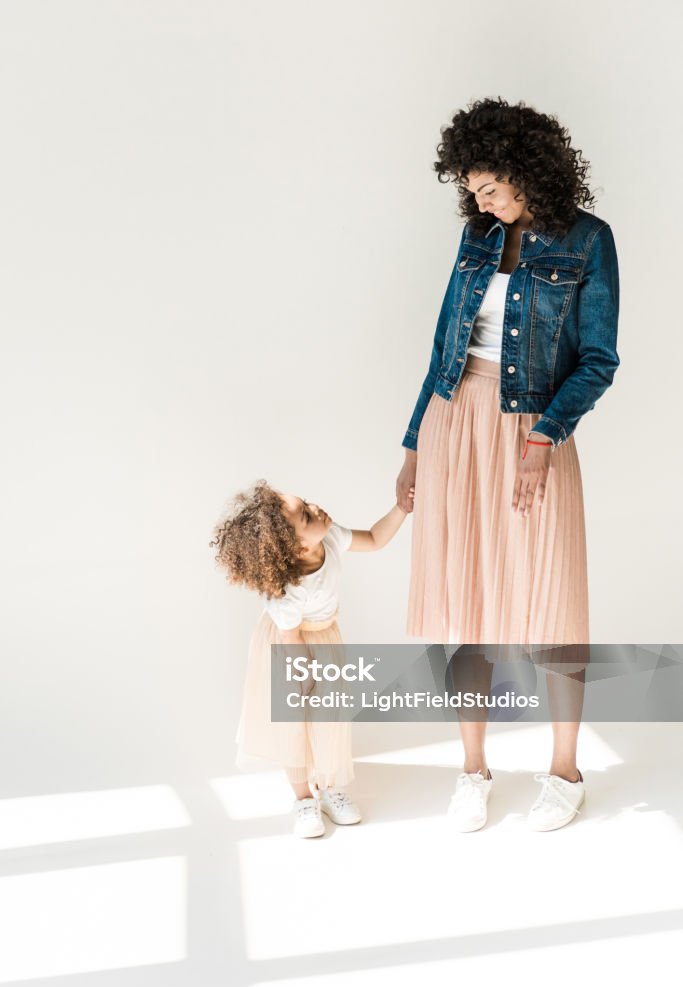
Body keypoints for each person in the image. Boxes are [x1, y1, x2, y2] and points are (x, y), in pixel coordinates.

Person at [395, 97, 620, 832]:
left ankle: (563, 770)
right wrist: (409, 446)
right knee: (470, 608)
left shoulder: (588, 241)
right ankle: (472, 770)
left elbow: (596, 360)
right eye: (471, 189)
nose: (478, 199)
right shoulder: (475, 238)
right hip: (453, 423)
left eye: (489, 185)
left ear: (528, 171)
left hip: (533, 427)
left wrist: (541, 440)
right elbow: (441, 351)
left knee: (554, 606)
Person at [210, 481, 409, 838]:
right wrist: (304, 679)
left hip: (324, 640)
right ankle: (303, 798)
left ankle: (331, 787)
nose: (317, 508)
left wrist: (401, 509)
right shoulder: (286, 592)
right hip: (290, 651)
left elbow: (376, 539)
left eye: (307, 503)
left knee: (329, 717)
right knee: (294, 725)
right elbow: (291, 639)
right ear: (298, 545)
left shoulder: (329, 537)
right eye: (306, 514)